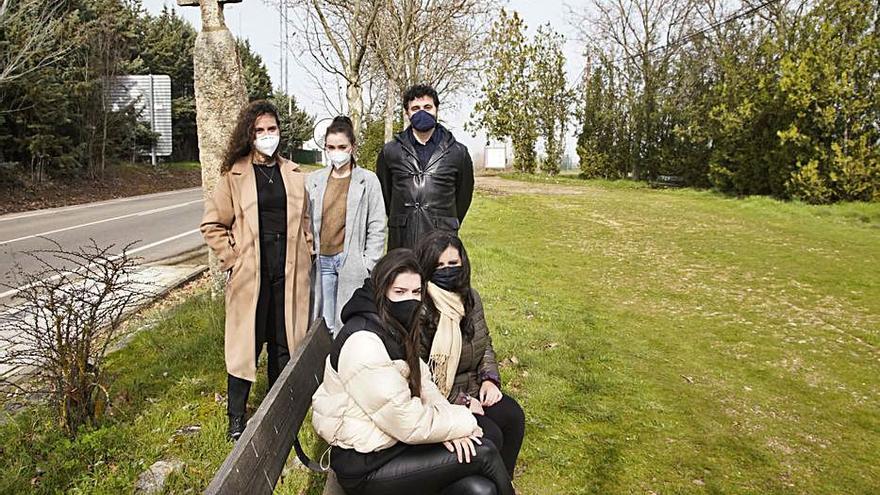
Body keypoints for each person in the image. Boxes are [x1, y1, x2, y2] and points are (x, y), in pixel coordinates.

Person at [311, 249, 514, 495]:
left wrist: (448, 419)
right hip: (365, 464)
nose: (410, 299)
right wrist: (461, 423)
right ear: (382, 290)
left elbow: (425, 383)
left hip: (390, 442)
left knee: (479, 488)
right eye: (400, 292)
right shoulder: (364, 342)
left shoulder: (391, 325)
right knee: (484, 453)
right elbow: (405, 421)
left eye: (416, 292)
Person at [201, 100, 314, 441]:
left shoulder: (293, 173)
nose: (267, 136)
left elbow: (305, 221)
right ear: (249, 135)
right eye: (259, 131)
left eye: (272, 129)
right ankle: (236, 419)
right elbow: (212, 224)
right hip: (252, 275)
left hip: (289, 273)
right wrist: (233, 260)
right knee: (245, 347)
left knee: (283, 343)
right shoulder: (234, 174)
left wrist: (307, 249)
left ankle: (278, 412)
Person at [416, 231, 525, 477]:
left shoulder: (470, 298)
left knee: (512, 415)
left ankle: (504, 482)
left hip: (474, 386)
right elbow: (423, 370)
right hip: (441, 398)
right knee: (490, 435)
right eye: (439, 265)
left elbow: (484, 343)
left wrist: (489, 379)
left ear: (463, 263)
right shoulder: (423, 308)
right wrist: (462, 400)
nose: (447, 270)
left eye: (453, 264)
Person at [307, 116, 386, 335]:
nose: (337, 152)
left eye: (342, 146)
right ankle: (324, 364)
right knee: (324, 321)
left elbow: (377, 223)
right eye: (331, 147)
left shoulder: (368, 180)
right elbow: (305, 219)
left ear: (352, 147)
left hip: (350, 260)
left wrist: (368, 262)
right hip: (322, 260)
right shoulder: (314, 180)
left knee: (349, 320)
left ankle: (346, 363)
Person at [376, 84, 474, 250]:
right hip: (402, 239)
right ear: (407, 113)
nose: (422, 112)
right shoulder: (390, 151)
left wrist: (446, 222)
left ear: (436, 109)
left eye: (427, 107)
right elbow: (386, 194)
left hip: (442, 241)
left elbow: (463, 196)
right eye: (415, 108)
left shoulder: (458, 152)